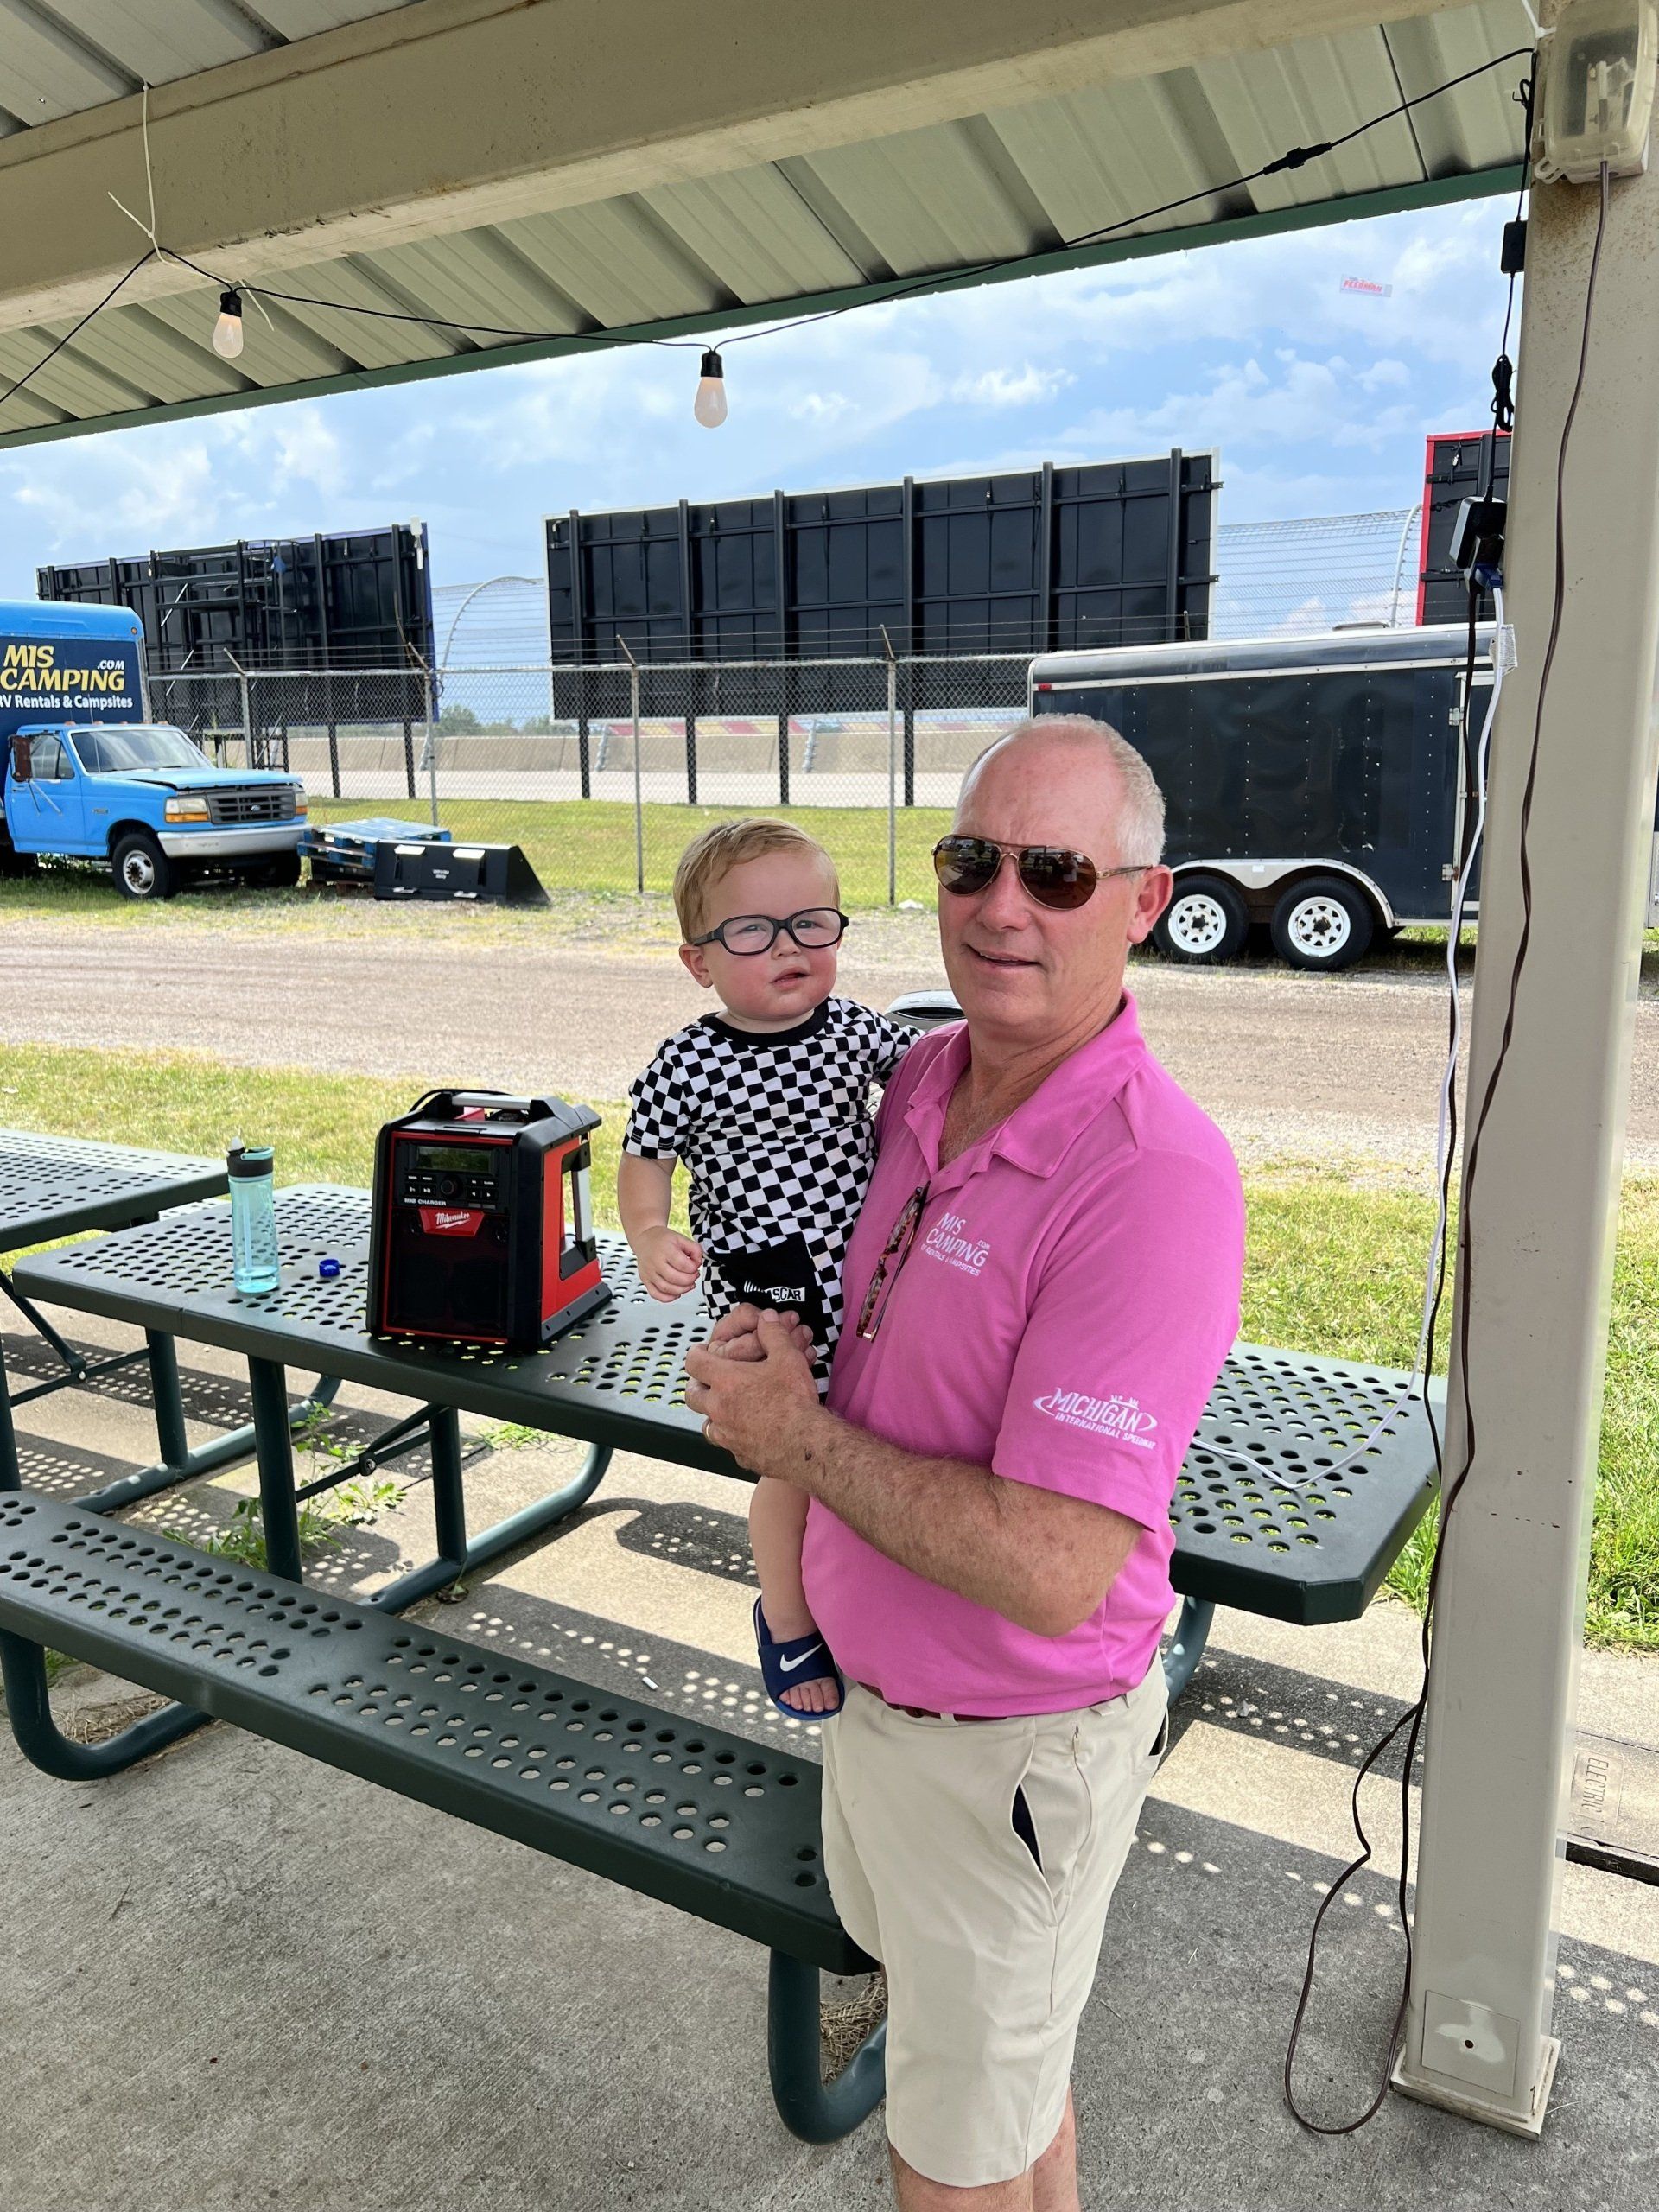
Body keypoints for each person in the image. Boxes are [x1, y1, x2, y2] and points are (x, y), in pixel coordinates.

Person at [683, 716, 1245, 2211]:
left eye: (1057, 873)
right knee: (1012, 2082)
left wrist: (792, 1441)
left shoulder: (1152, 1179)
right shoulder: (920, 1079)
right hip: (881, 1718)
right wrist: (772, 1351)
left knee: (950, 2167)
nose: (1005, 903)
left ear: (1142, 903)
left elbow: (1055, 1570)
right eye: (971, 860)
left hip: (1006, 1757)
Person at [617, 816, 914, 1718]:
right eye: (752, 931)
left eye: (811, 922)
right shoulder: (691, 1061)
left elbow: (936, 1081)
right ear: (698, 961)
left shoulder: (854, 1031)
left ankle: (876, 1599)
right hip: (766, 1299)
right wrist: (646, 1232)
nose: (788, 947)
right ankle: (787, 1621)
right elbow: (645, 1155)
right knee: (790, 1464)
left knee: (881, 1444)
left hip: (872, 1287)